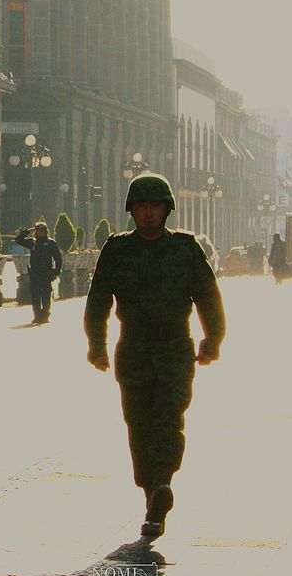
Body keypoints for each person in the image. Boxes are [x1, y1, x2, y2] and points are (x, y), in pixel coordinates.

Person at [84, 173, 224, 538]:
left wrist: (212, 340)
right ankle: (153, 495)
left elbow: (209, 297)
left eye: (155, 207)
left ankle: (161, 483)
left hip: (175, 348)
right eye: (142, 207)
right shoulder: (117, 249)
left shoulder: (185, 248)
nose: (148, 214)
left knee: (170, 419)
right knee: (138, 425)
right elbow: (98, 301)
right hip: (132, 350)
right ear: (132, 211)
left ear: (166, 210)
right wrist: (96, 345)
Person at [15, 222, 63, 324]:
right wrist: (29, 230)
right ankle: (37, 316)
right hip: (35, 274)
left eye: (42, 231)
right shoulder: (32, 242)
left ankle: (45, 315)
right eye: (38, 231)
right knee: (35, 296)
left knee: (46, 295)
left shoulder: (51, 243)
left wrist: (56, 272)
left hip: (46, 273)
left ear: (45, 232)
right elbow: (18, 240)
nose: (40, 233)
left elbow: (58, 258)